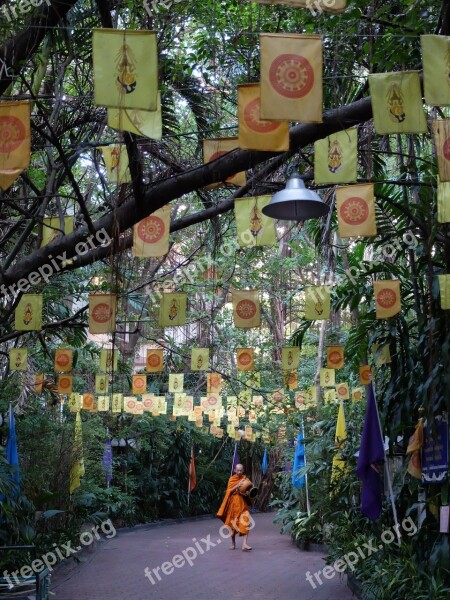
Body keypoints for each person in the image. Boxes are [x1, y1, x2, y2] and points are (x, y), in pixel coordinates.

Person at [217, 463, 253, 551]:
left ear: (243, 470)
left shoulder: (245, 479)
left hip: (243, 505)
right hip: (233, 505)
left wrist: (247, 493)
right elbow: (228, 491)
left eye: (241, 470)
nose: (239, 472)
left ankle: (244, 544)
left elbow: (250, 490)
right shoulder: (232, 479)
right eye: (238, 470)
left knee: (246, 521)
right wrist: (237, 486)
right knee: (232, 525)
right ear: (235, 470)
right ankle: (233, 543)